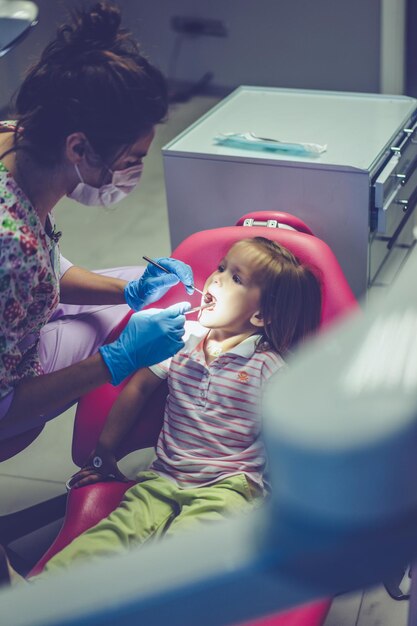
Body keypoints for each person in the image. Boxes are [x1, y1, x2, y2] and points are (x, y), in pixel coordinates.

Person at [26, 236, 322, 580]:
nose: (216, 279)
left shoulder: (268, 368)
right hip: (161, 478)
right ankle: (42, 598)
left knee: (187, 566)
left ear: (260, 315)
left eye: (236, 278)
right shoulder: (179, 339)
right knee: (102, 544)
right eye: (221, 267)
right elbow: (137, 389)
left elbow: (289, 437)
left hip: (229, 490)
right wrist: (105, 452)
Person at [0, 2, 194, 441]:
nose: (132, 174)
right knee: (134, 325)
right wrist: (117, 359)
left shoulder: (16, 137)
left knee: (145, 298)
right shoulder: (11, 247)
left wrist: (127, 291)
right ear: (78, 148)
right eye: (129, 160)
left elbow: (37, 271)